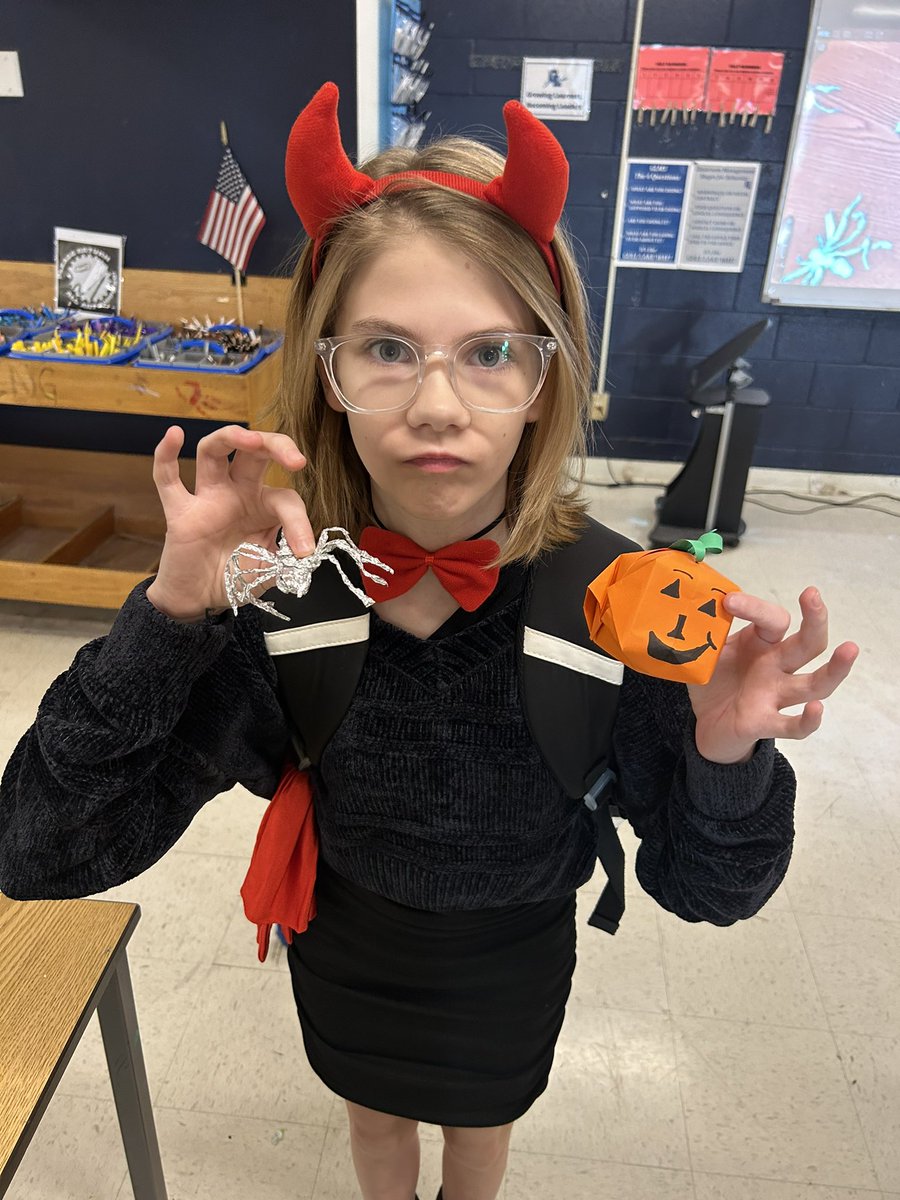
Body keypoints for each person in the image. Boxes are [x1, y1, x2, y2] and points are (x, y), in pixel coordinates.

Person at [0, 82, 858, 1200]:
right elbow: (41, 850)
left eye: (491, 352)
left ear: (549, 381)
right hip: (351, 948)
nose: (440, 404)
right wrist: (168, 617)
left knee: (484, 1128)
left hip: (513, 958)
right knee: (373, 1125)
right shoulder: (285, 602)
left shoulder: (620, 601)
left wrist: (727, 755)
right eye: (388, 350)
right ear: (329, 375)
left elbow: (712, 890)